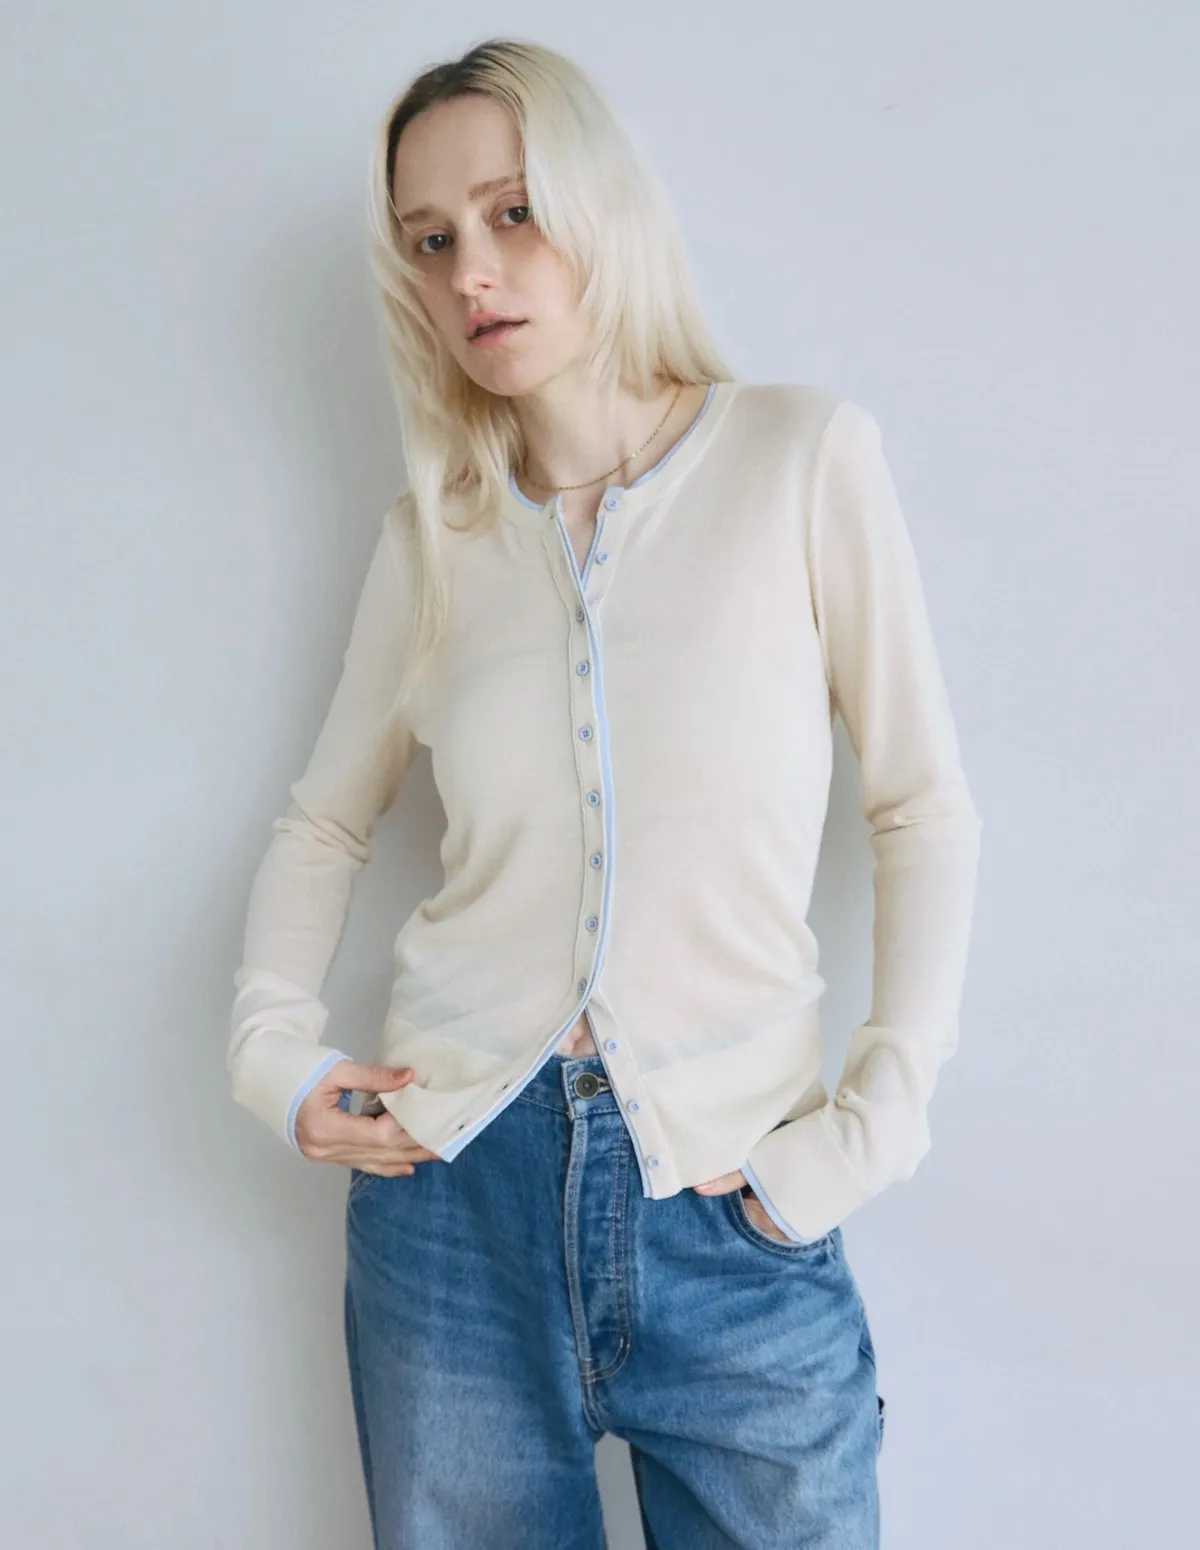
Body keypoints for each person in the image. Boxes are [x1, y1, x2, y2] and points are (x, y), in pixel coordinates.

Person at [226, 36, 982, 1550]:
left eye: (512, 213)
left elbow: (920, 805)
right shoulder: (432, 538)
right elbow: (324, 820)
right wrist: (270, 1052)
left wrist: (872, 1126)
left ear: (601, 204)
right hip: (456, 1203)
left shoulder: (800, 459)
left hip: (736, 1195)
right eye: (430, 240)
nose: (471, 273)